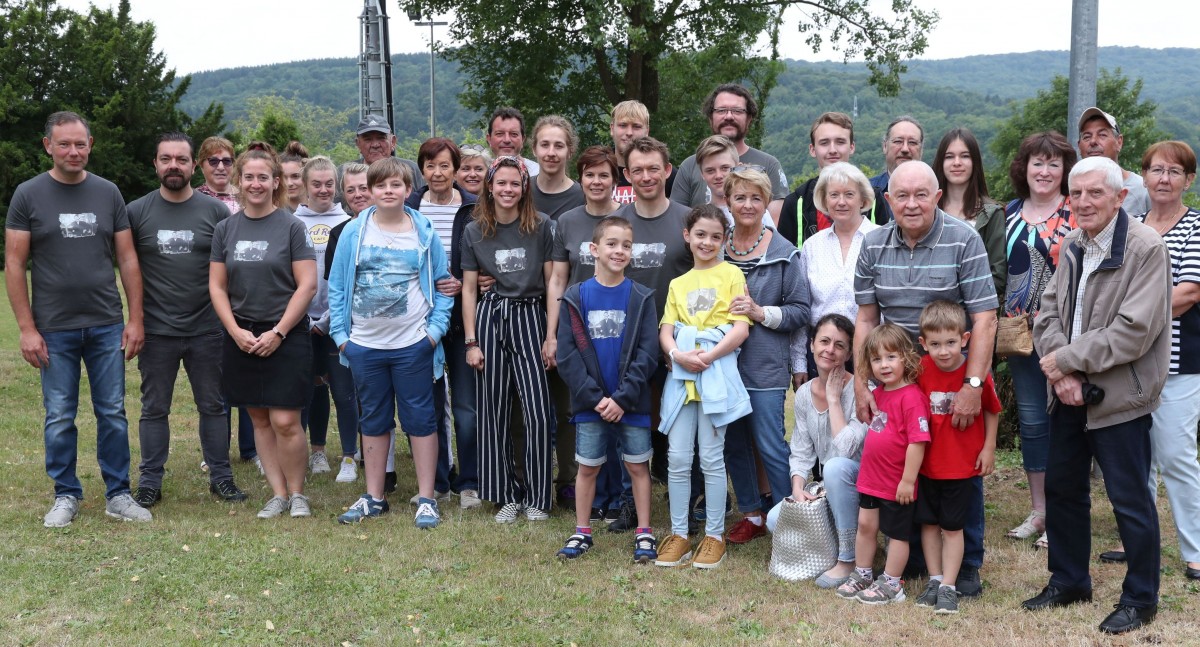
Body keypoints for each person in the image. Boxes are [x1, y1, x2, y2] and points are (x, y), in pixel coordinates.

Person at [1023, 156, 1171, 636]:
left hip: (1119, 398)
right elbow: (1046, 315)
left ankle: (1141, 598)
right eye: (1077, 193)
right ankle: (1069, 581)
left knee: (1129, 499)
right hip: (1067, 393)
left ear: (1121, 197)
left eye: (1095, 193)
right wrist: (1062, 373)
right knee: (1064, 490)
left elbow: (1134, 331)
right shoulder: (1071, 244)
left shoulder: (1147, 248)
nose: (1083, 202)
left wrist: (1067, 362)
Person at [853, 160, 998, 597]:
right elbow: (865, 317)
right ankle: (916, 557)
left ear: (937, 196)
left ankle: (967, 563)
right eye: (902, 196)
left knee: (957, 465)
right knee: (908, 462)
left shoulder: (963, 238)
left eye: (921, 195)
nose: (912, 204)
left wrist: (973, 385)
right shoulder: (873, 244)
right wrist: (862, 381)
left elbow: (985, 317)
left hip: (951, 375)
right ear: (887, 201)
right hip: (895, 381)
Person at [6, 110, 151, 527]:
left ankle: (118, 494)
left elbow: (127, 258)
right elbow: (15, 265)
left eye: (80, 143)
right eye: (64, 144)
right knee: (59, 414)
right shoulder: (28, 195)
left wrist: (135, 319)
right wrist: (27, 329)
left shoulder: (108, 193)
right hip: (53, 328)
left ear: (90, 146)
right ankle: (66, 494)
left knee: (112, 412)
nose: (73, 151)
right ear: (48, 146)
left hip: (106, 323)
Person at [327, 157, 453, 528]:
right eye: (379, 185)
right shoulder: (354, 231)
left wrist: (433, 334)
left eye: (395, 185)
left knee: (421, 419)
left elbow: (443, 285)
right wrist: (341, 337)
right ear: (369, 190)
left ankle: (427, 498)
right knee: (374, 419)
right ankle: (374, 497)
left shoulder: (424, 232)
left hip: (413, 344)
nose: (387, 191)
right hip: (364, 345)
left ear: (408, 190)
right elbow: (336, 286)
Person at [127, 131, 247, 507]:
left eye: (181, 159)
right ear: (156, 164)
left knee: (213, 405)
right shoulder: (136, 212)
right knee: (153, 407)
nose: (174, 165)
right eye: (166, 159)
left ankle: (221, 477)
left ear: (193, 165)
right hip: (157, 329)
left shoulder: (215, 212)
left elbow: (231, 269)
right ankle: (149, 481)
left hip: (207, 327)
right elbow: (126, 268)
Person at [1100, 141, 1200, 576]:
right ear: (1143, 176)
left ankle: (1194, 550)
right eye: (1156, 170)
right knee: (1134, 459)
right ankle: (1136, 541)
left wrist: (1132, 314)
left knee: (1176, 455)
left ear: (1188, 180)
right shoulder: (1129, 225)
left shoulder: (1196, 226)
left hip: (1179, 363)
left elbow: (1190, 293)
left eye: (1174, 172)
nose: (1164, 179)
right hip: (1128, 365)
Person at [209, 148, 317, 519]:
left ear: (275, 183)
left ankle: (298, 493)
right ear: (238, 182)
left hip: (285, 333)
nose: (255, 184)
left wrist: (280, 332)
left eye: (263, 178)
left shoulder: (292, 226)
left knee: (285, 420)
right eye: (249, 177)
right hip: (242, 334)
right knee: (258, 417)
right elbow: (217, 287)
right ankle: (277, 493)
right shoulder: (225, 229)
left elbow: (307, 286)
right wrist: (235, 330)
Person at [554, 216, 660, 563]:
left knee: (638, 467)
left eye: (626, 245)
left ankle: (644, 531)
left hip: (632, 402)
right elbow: (569, 357)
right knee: (588, 467)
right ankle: (582, 530)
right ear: (594, 249)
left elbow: (648, 354)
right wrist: (597, 399)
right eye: (612, 244)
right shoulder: (575, 297)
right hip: (591, 404)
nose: (619, 251)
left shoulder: (642, 297)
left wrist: (622, 398)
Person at [654, 204, 752, 570]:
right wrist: (679, 354)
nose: (707, 242)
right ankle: (679, 533)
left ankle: (713, 536)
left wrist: (708, 356)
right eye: (701, 235)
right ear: (687, 236)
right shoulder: (678, 284)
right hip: (681, 378)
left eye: (715, 236)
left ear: (724, 239)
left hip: (715, 374)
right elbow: (666, 330)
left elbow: (739, 328)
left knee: (712, 459)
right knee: (678, 458)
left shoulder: (732, 275)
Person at [461, 156, 558, 522]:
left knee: (536, 411)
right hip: (491, 315)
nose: (507, 190)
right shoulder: (474, 230)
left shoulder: (542, 226)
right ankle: (505, 495)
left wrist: (551, 335)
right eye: (500, 183)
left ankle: (536, 495)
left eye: (514, 184)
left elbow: (553, 282)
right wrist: (471, 342)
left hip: (531, 314)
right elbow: (469, 289)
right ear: (489, 186)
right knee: (493, 409)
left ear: (524, 187)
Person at [719, 168, 810, 546]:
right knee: (734, 443)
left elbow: (801, 310)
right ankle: (753, 514)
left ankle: (789, 516)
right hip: (721, 366)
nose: (748, 205)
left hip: (765, 364)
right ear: (727, 201)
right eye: (740, 197)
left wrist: (760, 312)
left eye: (756, 197)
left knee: (770, 442)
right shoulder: (715, 246)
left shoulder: (784, 252)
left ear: (766, 202)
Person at [1001, 131, 1077, 549]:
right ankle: (1040, 510)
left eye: (1053, 164)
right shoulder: (1008, 213)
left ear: (1064, 171)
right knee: (1032, 422)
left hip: (1065, 336)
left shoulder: (1077, 211)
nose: (1044, 171)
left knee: (1069, 421)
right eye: (1037, 162)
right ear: (1024, 168)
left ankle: (1065, 511)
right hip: (1020, 340)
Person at [614, 136, 695, 519]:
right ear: (626, 174)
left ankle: (693, 500)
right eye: (637, 170)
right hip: (631, 341)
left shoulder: (688, 219)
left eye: (653, 168)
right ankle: (631, 500)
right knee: (633, 421)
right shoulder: (616, 222)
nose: (646, 176)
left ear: (667, 170)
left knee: (684, 419)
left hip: (680, 338)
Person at [550, 146, 627, 522]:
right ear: (580, 178)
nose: (597, 182)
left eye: (604, 175)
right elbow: (558, 279)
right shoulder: (566, 221)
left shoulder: (626, 219)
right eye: (589, 175)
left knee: (618, 409)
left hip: (617, 328)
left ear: (615, 179)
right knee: (587, 407)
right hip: (579, 327)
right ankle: (592, 494)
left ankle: (618, 496)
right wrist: (552, 333)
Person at [912, 301, 1000, 615]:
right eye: (935, 344)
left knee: (952, 528)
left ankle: (949, 585)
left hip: (961, 467)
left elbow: (991, 409)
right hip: (927, 467)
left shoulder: (974, 371)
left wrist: (988, 447)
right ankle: (934, 579)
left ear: (964, 339)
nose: (944, 351)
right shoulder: (921, 370)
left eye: (950, 342)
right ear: (923, 344)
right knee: (928, 524)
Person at [405, 137, 480, 506]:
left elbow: (488, 256)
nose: (438, 173)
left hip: (464, 319)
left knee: (466, 406)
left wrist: (479, 279)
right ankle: (435, 480)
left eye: (445, 166)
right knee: (428, 404)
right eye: (430, 166)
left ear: (456, 169)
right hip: (420, 320)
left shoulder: (475, 208)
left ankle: (469, 481)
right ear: (421, 169)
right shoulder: (407, 208)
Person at [765, 314, 866, 588]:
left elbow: (846, 450)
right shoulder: (804, 393)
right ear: (811, 345)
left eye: (839, 345)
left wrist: (834, 399)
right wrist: (798, 489)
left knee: (834, 467)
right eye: (824, 341)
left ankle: (849, 558)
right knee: (775, 521)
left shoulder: (861, 390)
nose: (830, 350)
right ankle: (837, 543)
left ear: (848, 354)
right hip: (827, 488)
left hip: (862, 486)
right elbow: (800, 451)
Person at [834, 323, 928, 604]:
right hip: (871, 479)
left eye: (891, 357)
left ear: (906, 357)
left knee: (897, 534)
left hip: (896, 483)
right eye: (877, 359)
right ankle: (863, 573)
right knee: (865, 525)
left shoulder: (912, 398)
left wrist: (908, 481)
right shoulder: (878, 394)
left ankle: (892, 582)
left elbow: (918, 442)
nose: (884, 365)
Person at [292, 156, 356, 480]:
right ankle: (316, 452)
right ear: (304, 186)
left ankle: (349, 456)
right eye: (316, 184)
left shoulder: (347, 222)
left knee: (343, 390)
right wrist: (304, 316)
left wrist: (331, 317)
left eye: (329, 183)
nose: (323, 189)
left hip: (338, 320)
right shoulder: (293, 222)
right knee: (310, 389)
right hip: (301, 322)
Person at [794, 162, 879, 382]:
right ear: (824, 200)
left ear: (863, 200)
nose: (841, 201)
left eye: (849, 194)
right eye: (834, 195)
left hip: (871, 352)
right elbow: (803, 308)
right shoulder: (812, 246)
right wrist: (799, 363)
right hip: (823, 354)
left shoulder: (881, 240)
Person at [671, 84, 788, 213]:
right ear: (711, 117)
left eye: (737, 111)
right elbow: (677, 219)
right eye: (721, 110)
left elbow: (777, 222)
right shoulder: (689, 166)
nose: (728, 116)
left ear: (749, 118)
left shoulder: (769, 165)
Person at [778, 112, 888, 248]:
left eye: (840, 142)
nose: (833, 150)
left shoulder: (874, 200)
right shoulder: (796, 202)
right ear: (812, 149)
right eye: (824, 143)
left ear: (852, 147)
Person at [934, 128, 1006, 300]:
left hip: (975, 313)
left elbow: (998, 276)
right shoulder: (929, 211)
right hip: (928, 314)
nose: (957, 162)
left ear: (975, 162)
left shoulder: (992, 214)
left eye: (965, 156)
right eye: (949, 156)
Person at [1077, 107, 1150, 215]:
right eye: (1087, 137)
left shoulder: (1142, 190)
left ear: (1119, 142)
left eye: (1102, 135)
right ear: (1079, 146)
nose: (1093, 141)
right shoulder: (1072, 190)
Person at [608, 99, 675, 204]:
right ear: (612, 129)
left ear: (647, 131)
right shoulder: (598, 172)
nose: (629, 132)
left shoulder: (667, 175)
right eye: (623, 125)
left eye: (636, 126)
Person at [531, 115, 585, 220]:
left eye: (559, 146)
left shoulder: (582, 197)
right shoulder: (521, 192)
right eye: (545, 145)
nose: (551, 153)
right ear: (534, 149)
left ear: (570, 152)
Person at [354, 114, 424, 190]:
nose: (375, 145)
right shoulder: (345, 173)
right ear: (358, 144)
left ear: (393, 142)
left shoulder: (412, 170)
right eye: (368, 139)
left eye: (381, 138)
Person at [869, 116, 924, 194]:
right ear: (885, 146)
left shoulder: (933, 190)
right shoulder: (866, 191)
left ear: (921, 150)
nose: (905, 149)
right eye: (898, 141)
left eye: (912, 142)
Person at [485, 107, 540, 175]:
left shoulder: (538, 174)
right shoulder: (481, 174)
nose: (507, 140)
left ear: (523, 140)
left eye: (514, 134)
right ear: (489, 139)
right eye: (499, 134)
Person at [196, 136, 240, 213]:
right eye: (213, 161)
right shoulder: (193, 200)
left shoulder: (246, 198)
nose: (221, 167)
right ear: (202, 166)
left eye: (226, 161)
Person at [280, 141, 309, 214]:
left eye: (295, 176)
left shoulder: (320, 209)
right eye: (284, 178)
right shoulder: (275, 213)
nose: (289, 183)